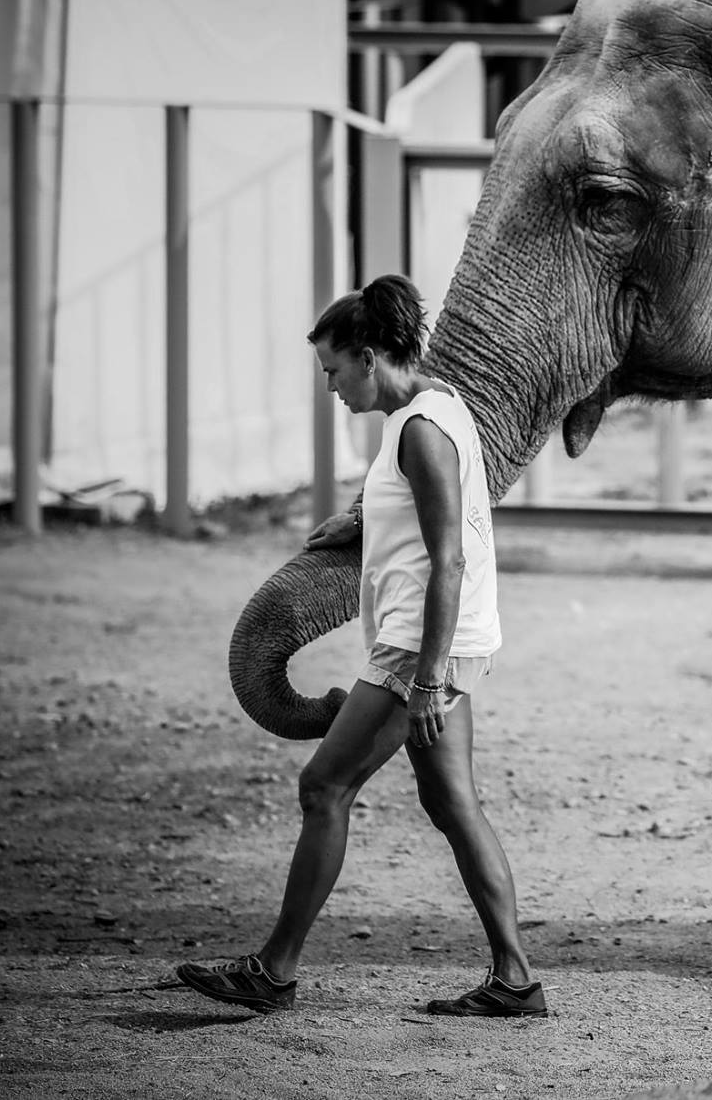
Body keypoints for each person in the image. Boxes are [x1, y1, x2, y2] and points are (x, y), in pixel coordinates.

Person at [176, 275, 544, 1017]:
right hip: (441, 644)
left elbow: (451, 559)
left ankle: (273, 970)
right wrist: (363, 519)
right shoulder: (429, 407)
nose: (332, 387)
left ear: (369, 356)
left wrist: (429, 681)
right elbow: (428, 519)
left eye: (333, 371)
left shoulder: (420, 430)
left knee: (324, 787)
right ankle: (515, 978)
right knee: (452, 801)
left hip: (418, 653)